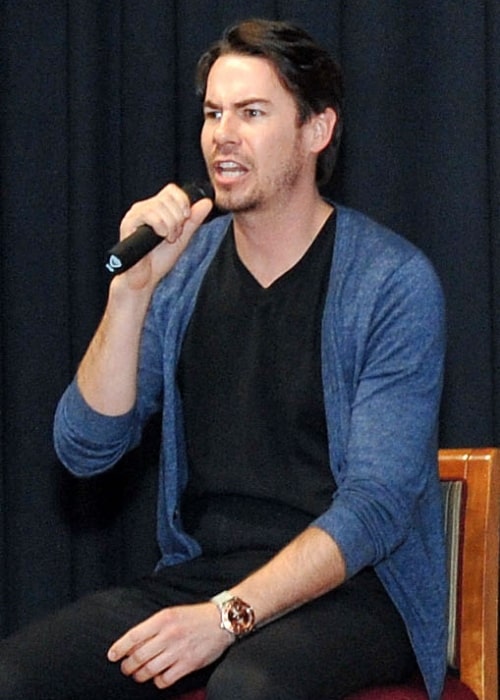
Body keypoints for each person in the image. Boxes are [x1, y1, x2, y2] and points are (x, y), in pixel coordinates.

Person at [0, 17, 447, 700]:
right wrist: (131, 295)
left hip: (355, 591)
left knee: (248, 686)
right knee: (20, 675)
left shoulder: (391, 283)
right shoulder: (181, 274)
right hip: (205, 571)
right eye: (213, 113)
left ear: (317, 130)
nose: (222, 135)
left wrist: (226, 619)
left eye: (252, 113)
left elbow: (376, 509)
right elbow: (85, 448)